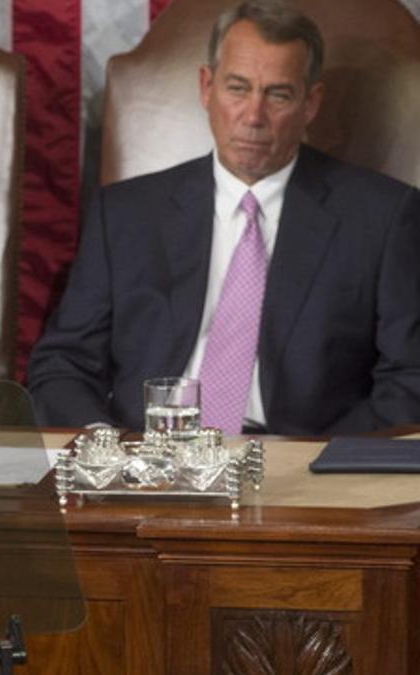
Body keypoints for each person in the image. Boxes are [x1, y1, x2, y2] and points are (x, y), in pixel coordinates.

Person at [28, 0, 420, 435]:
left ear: (311, 103)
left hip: (300, 468)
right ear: (206, 87)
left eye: (278, 94)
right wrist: (110, 448)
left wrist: (323, 459)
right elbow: (62, 364)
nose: (253, 117)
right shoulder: (124, 214)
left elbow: (410, 377)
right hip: (146, 457)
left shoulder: (382, 218)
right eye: (237, 88)